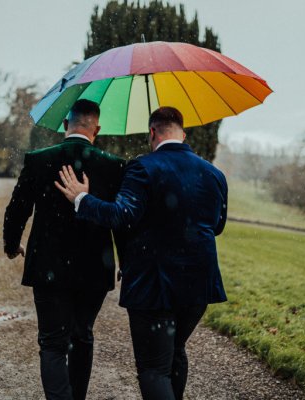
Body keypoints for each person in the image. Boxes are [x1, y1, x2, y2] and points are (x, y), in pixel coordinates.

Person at [55, 106, 228, 400]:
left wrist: (81, 199)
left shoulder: (143, 168)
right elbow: (217, 225)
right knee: (175, 352)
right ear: (182, 134)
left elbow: (121, 215)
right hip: (199, 284)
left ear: (152, 132)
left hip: (155, 284)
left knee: (153, 369)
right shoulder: (214, 174)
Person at [3, 99, 125, 400]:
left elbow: (17, 209)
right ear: (96, 129)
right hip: (95, 268)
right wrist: (127, 260)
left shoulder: (39, 160)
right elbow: (122, 218)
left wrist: (11, 243)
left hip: (48, 266)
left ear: (65, 124)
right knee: (81, 336)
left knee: (52, 343)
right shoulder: (113, 166)